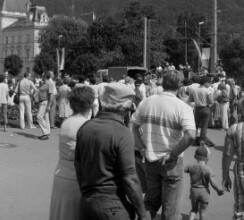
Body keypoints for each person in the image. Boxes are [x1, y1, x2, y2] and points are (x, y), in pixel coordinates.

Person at [75, 83, 147, 220]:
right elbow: (130, 178)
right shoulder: (122, 133)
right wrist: (143, 214)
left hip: (86, 202)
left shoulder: (85, 127)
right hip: (112, 205)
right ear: (125, 108)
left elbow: (78, 166)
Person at [131, 70, 196, 220]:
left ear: (163, 82)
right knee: (170, 209)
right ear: (180, 85)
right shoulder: (182, 107)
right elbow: (191, 135)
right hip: (171, 163)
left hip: (150, 160)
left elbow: (132, 126)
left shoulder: (147, 102)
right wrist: (173, 154)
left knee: (150, 203)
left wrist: (141, 148)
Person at [49, 85, 94, 220]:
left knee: (61, 213)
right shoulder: (87, 125)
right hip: (77, 178)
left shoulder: (67, 122)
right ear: (89, 105)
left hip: (61, 174)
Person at [185, 146, 224, 220]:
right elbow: (212, 183)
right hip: (204, 192)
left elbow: (185, 169)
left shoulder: (191, 167)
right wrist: (218, 190)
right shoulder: (208, 170)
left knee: (194, 210)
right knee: (202, 212)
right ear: (207, 158)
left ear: (195, 156)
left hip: (194, 191)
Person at [222, 105, 244, 219]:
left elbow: (227, 154)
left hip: (241, 168)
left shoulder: (234, 129)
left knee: (240, 203)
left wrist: (225, 176)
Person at [188, 76, 214, 146]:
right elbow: (211, 101)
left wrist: (197, 101)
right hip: (205, 108)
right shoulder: (207, 90)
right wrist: (209, 104)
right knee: (204, 125)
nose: (210, 84)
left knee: (195, 125)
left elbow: (190, 100)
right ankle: (202, 140)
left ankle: (193, 139)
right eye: (209, 82)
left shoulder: (194, 90)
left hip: (197, 109)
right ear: (205, 83)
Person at [36, 73, 51, 140]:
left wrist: (49, 105)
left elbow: (51, 95)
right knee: (46, 118)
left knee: (39, 116)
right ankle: (46, 134)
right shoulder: (44, 84)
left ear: (45, 77)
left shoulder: (49, 84)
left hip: (45, 102)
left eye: (42, 76)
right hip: (42, 102)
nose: (41, 77)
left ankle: (46, 132)